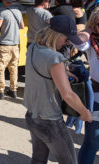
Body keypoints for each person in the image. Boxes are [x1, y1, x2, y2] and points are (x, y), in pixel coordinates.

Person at [24, 15, 91, 164]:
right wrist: (85, 112)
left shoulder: (33, 47)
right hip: (50, 122)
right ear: (56, 35)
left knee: (38, 160)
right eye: (67, 39)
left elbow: (42, 71)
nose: (67, 44)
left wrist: (66, 73)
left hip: (32, 115)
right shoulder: (54, 58)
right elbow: (68, 95)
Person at [74, 9, 99, 163]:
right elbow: (76, 41)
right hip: (96, 99)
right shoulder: (91, 41)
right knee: (92, 142)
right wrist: (89, 29)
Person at [0, 0, 24, 99]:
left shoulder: (3, 13)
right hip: (15, 45)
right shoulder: (18, 12)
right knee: (13, 68)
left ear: (4, 1)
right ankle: (13, 90)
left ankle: (0, 91)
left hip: (4, 44)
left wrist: (4, 29)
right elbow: (22, 26)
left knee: (0, 68)